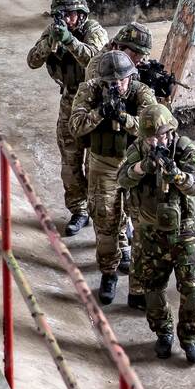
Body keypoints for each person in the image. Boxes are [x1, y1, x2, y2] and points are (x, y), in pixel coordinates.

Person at [118, 104, 195, 364]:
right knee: (152, 288)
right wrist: (142, 167)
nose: (158, 142)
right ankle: (163, 332)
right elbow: (122, 178)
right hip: (150, 232)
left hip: (182, 231)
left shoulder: (184, 149)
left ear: (171, 132)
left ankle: (189, 337)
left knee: (192, 287)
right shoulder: (137, 151)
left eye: (162, 136)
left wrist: (177, 175)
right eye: (152, 138)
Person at [69, 51, 158, 306]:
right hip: (103, 164)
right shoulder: (90, 90)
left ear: (131, 77)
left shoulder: (142, 93)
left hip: (134, 164)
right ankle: (108, 272)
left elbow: (151, 129)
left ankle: (137, 285)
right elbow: (75, 127)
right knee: (105, 220)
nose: (117, 85)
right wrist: (100, 112)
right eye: (111, 81)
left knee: (140, 223)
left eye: (122, 80)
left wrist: (122, 117)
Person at [26, 0, 108, 236]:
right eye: (62, 15)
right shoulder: (54, 31)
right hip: (70, 99)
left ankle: (98, 211)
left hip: (93, 100)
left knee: (94, 163)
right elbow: (32, 61)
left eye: (71, 14)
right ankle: (79, 209)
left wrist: (70, 41)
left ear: (81, 13)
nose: (67, 19)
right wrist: (51, 41)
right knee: (70, 160)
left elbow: (95, 61)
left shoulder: (94, 30)